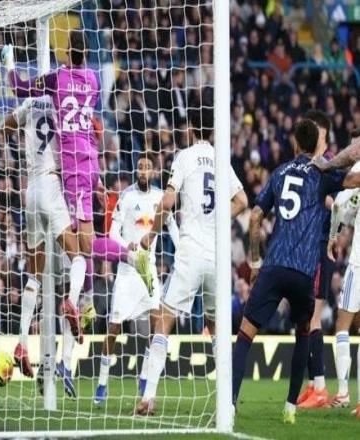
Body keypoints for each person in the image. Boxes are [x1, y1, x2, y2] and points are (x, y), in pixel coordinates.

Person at [2, 29, 150, 334]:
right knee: (82, 245)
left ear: (68, 52)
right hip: (90, 162)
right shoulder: (93, 80)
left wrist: (9, 62)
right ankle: (85, 299)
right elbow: (86, 121)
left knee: (85, 245)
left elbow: (19, 87)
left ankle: (128, 260)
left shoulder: (56, 78)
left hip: (72, 169)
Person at [231, 120, 360, 425]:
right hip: (303, 271)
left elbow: (256, 217)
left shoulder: (278, 173)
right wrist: (340, 161)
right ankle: (290, 407)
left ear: (295, 144)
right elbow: (354, 180)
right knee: (304, 332)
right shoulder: (321, 175)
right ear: (317, 145)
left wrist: (255, 262)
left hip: (274, 265)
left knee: (245, 334)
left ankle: (231, 405)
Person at [133, 125, 248, 415]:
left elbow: (167, 201)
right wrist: (218, 219)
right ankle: (227, 402)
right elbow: (243, 201)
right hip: (216, 256)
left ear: (192, 128)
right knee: (216, 328)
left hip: (191, 252)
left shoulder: (185, 156)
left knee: (164, 321)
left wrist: (151, 235)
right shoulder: (221, 159)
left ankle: (148, 398)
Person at [3, 96, 86, 398]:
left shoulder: (29, 103)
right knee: (78, 257)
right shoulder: (63, 102)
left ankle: (22, 342)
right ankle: (72, 303)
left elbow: (6, 126)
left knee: (34, 276)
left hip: (31, 190)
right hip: (52, 186)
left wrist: (21, 125)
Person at [93, 153, 179, 405]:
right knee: (114, 327)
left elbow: (172, 227)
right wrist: (125, 245)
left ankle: (144, 378)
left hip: (149, 270)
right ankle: (102, 383)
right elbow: (112, 232)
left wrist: (182, 251)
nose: (142, 171)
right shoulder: (126, 196)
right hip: (128, 269)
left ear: (153, 172)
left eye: (147, 167)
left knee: (155, 326)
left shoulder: (160, 198)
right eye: (139, 167)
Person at [297, 110, 333, 409]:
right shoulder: (311, 165)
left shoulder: (329, 165)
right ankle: (312, 384)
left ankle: (320, 387)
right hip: (307, 250)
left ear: (323, 133)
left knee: (313, 317)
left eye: (315, 130)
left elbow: (336, 202)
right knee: (304, 316)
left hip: (321, 248)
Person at [326, 128, 360, 416]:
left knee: (343, 325)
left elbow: (339, 204)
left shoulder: (357, 167)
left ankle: (343, 392)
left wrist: (333, 236)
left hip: (359, 264)